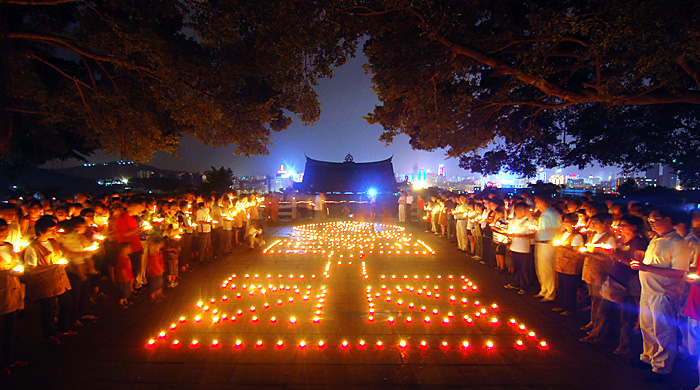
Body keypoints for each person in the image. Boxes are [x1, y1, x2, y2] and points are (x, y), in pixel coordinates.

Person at [631, 208, 691, 382]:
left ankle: (662, 369)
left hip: (663, 293)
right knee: (647, 328)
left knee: (663, 331)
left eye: (654, 220)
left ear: (668, 219)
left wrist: (646, 268)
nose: (651, 223)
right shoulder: (655, 239)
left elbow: (679, 272)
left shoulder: (678, 243)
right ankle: (648, 357)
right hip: (648, 291)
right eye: (649, 220)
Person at [23, 216, 74, 345]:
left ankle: (63, 328)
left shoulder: (53, 242)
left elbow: (59, 256)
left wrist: (62, 263)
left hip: (60, 279)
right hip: (45, 282)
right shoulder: (32, 248)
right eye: (51, 230)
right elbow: (31, 270)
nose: (53, 232)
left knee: (66, 303)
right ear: (41, 231)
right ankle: (49, 335)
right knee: (48, 309)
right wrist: (52, 266)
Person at [0, 219, 26, 376]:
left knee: (10, 329)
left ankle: (10, 359)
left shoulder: (9, 247)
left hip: (11, 290)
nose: (2, 232)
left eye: (4, 229)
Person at [552, 213, 585, 316]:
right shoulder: (564, 233)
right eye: (564, 222)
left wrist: (565, 248)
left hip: (571, 264)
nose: (565, 224)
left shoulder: (577, 236)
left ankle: (570, 308)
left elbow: (578, 253)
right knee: (561, 285)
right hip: (561, 263)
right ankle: (561, 304)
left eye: (567, 222)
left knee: (569, 287)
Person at [503, 202, 537, 295]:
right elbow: (509, 232)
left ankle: (524, 287)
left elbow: (534, 234)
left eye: (521, 210)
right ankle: (515, 283)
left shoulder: (529, 221)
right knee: (516, 267)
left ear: (525, 210)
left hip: (525, 248)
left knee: (524, 269)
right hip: (514, 247)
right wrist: (508, 242)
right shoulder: (513, 220)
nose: (519, 212)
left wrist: (521, 235)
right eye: (517, 210)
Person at [534, 195, 561, 302]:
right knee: (541, 268)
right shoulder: (544, 214)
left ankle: (550, 293)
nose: (536, 205)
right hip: (541, 242)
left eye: (538, 203)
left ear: (543, 203)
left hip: (547, 243)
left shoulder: (551, 214)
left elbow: (557, 228)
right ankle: (543, 289)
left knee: (548, 268)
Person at [147, 237, 166, 303]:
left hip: (158, 270)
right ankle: (154, 296)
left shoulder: (158, 252)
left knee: (159, 282)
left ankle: (159, 294)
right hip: (155, 271)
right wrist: (160, 269)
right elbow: (155, 263)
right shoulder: (154, 254)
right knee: (154, 284)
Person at [115, 242, 133, 309]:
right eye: (128, 248)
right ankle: (121, 302)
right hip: (123, 278)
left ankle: (125, 300)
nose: (129, 249)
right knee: (122, 290)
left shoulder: (126, 257)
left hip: (127, 277)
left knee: (126, 289)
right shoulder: (121, 258)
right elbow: (122, 269)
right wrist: (125, 276)